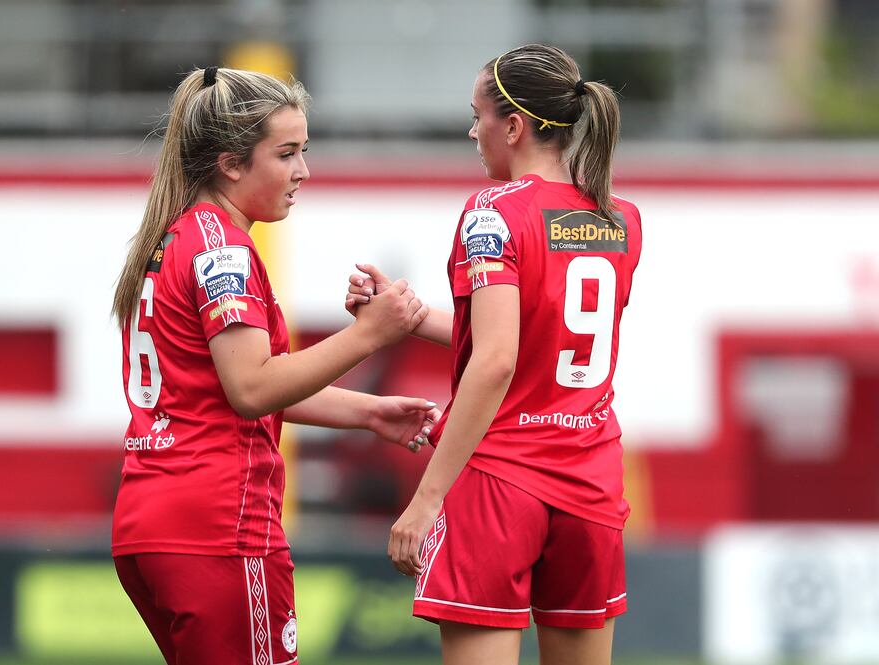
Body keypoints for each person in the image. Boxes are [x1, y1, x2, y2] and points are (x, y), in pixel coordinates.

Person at [110, 66, 439, 665]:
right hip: (220, 527)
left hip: (150, 520)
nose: (303, 171)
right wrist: (369, 334)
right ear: (231, 163)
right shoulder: (223, 250)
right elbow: (253, 388)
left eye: (303, 151)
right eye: (286, 153)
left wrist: (368, 412)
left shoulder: (176, 236)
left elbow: (233, 383)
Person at [346, 44, 642, 665]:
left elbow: (497, 359)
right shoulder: (621, 218)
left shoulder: (493, 211)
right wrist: (405, 315)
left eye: (477, 114)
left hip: (500, 481)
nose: (471, 131)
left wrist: (426, 498)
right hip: (590, 481)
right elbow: (532, 339)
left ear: (513, 126)